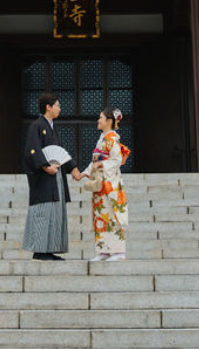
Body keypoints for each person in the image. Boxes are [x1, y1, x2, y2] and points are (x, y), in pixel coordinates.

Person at [22, 93, 83, 260]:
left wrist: (74, 168)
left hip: (55, 176)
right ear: (48, 107)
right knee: (43, 211)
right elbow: (32, 150)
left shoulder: (52, 128)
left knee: (54, 212)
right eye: (57, 105)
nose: (59, 108)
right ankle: (40, 250)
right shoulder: (37, 125)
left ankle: (49, 249)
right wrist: (44, 166)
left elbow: (61, 152)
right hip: (43, 177)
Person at [84, 107, 130, 261]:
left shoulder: (112, 139)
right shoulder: (102, 139)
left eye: (101, 118)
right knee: (101, 216)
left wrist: (101, 166)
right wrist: (84, 172)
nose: (98, 120)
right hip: (101, 184)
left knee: (112, 215)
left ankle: (118, 252)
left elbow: (116, 160)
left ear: (109, 121)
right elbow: (95, 161)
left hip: (110, 184)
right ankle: (104, 250)